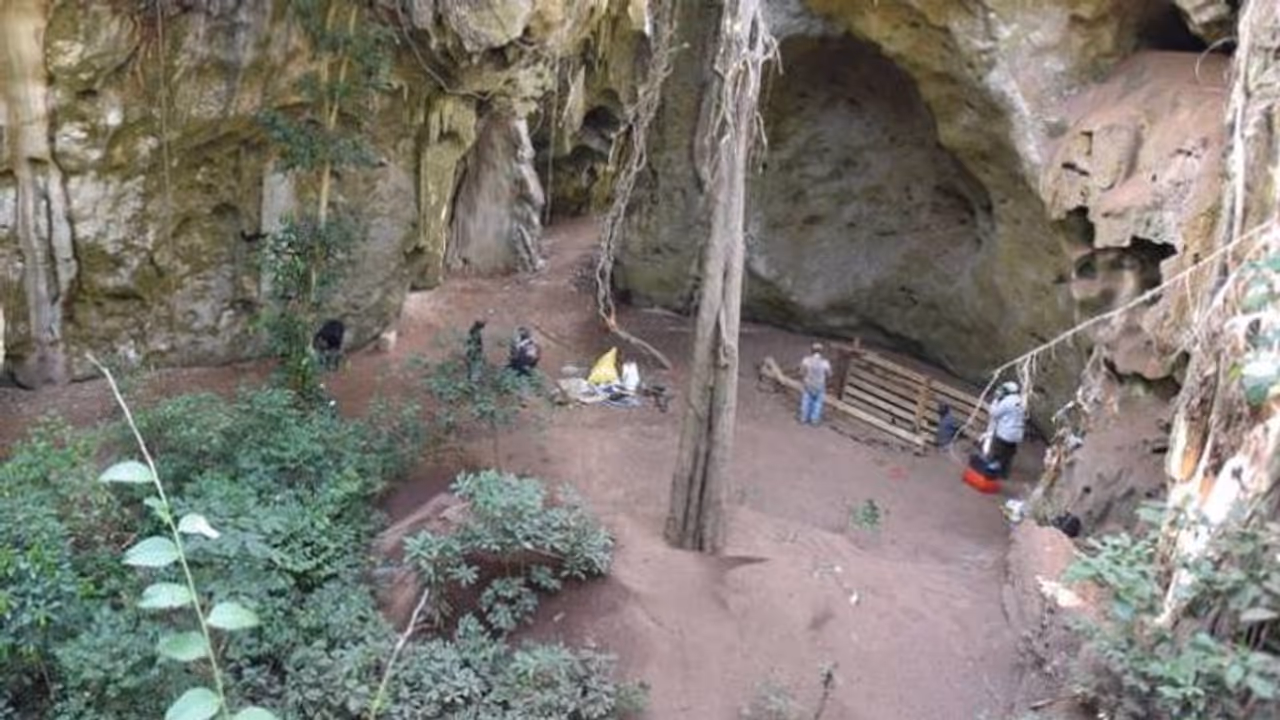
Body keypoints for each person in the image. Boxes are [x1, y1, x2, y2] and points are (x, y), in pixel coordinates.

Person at [985, 380, 1026, 478]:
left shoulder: (1007, 402)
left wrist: (995, 401)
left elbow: (994, 413)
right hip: (1016, 435)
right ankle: (1003, 474)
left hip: (1005, 434)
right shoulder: (1020, 401)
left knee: (996, 454)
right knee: (1008, 456)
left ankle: (990, 476)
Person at [798, 342, 832, 426]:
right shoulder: (825, 362)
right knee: (818, 402)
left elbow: (801, 372)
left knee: (806, 400)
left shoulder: (806, 360)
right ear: (821, 351)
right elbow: (829, 374)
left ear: (812, 351)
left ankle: (803, 417)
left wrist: (804, 377)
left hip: (808, 383)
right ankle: (814, 419)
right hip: (820, 384)